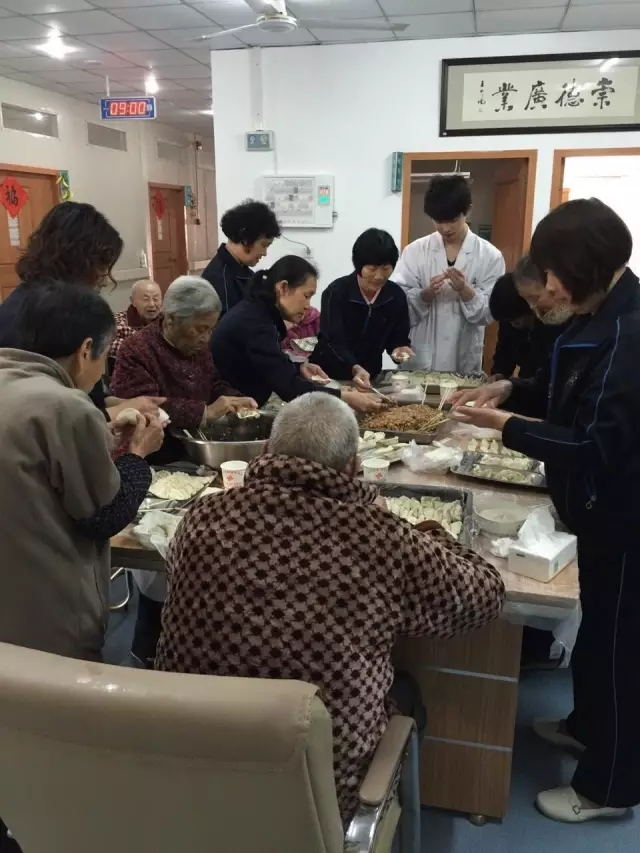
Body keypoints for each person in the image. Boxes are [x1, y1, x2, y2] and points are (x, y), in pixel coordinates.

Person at [156, 393, 505, 825]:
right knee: (408, 693)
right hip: (321, 787)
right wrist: (425, 531)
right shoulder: (380, 536)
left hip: (195, 760)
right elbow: (484, 597)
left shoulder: (202, 517)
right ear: (354, 467)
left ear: (266, 451)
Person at [451, 198, 640, 824]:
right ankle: (588, 727)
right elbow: (567, 399)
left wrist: (506, 425)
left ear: (583, 267)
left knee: (619, 648)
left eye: (555, 273)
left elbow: (592, 445)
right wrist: (509, 388)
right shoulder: (600, 316)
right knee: (598, 634)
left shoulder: (628, 335)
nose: (550, 288)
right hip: (598, 512)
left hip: (623, 514)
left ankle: (609, 789)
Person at [0, 279, 163, 662]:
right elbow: (106, 516)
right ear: (86, 349)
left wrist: (100, 435)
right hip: (46, 616)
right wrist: (138, 454)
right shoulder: (65, 406)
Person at [0, 201, 164, 423]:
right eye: (103, 266)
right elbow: (55, 416)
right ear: (81, 260)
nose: (105, 278)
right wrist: (118, 411)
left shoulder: (34, 298)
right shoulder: (49, 314)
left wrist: (125, 404)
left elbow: (87, 397)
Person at [210, 255, 383, 414]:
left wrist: (298, 367)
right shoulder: (255, 322)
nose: (308, 306)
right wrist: (346, 397)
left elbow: (271, 364)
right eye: (306, 296)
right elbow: (289, 388)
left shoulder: (260, 313)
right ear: (283, 287)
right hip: (228, 412)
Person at [111, 275, 257, 434]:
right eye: (200, 329)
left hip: (198, 436)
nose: (206, 338)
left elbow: (211, 383)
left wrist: (234, 399)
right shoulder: (136, 349)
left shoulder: (198, 344)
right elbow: (145, 408)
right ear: (171, 319)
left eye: (211, 329)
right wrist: (205, 412)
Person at [392, 175, 505, 373]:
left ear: (467, 210)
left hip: (463, 357)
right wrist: (425, 295)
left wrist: (465, 291)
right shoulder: (414, 251)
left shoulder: (490, 256)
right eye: (438, 221)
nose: (445, 228)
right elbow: (398, 307)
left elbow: (489, 314)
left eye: (453, 220)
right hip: (421, 358)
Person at [310, 229, 413, 387]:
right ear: (359, 266)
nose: (379, 276)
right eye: (372, 269)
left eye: (386, 268)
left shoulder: (395, 295)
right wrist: (354, 367)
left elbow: (398, 338)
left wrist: (399, 350)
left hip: (370, 376)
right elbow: (333, 340)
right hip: (330, 376)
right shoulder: (336, 292)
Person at [489, 263, 569, 381]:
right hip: (525, 381)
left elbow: (546, 371)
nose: (512, 324)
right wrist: (499, 373)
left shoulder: (551, 320)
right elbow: (504, 353)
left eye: (516, 320)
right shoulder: (507, 319)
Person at [201, 199, 281, 315]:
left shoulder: (244, 271)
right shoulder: (219, 280)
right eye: (264, 245)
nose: (265, 253)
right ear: (246, 239)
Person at [108, 278, 163, 362]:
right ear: (133, 301)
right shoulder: (119, 322)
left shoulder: (167, 320)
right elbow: (108, 346)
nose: (152, 304)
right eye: (146, 299)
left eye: (156, 299)